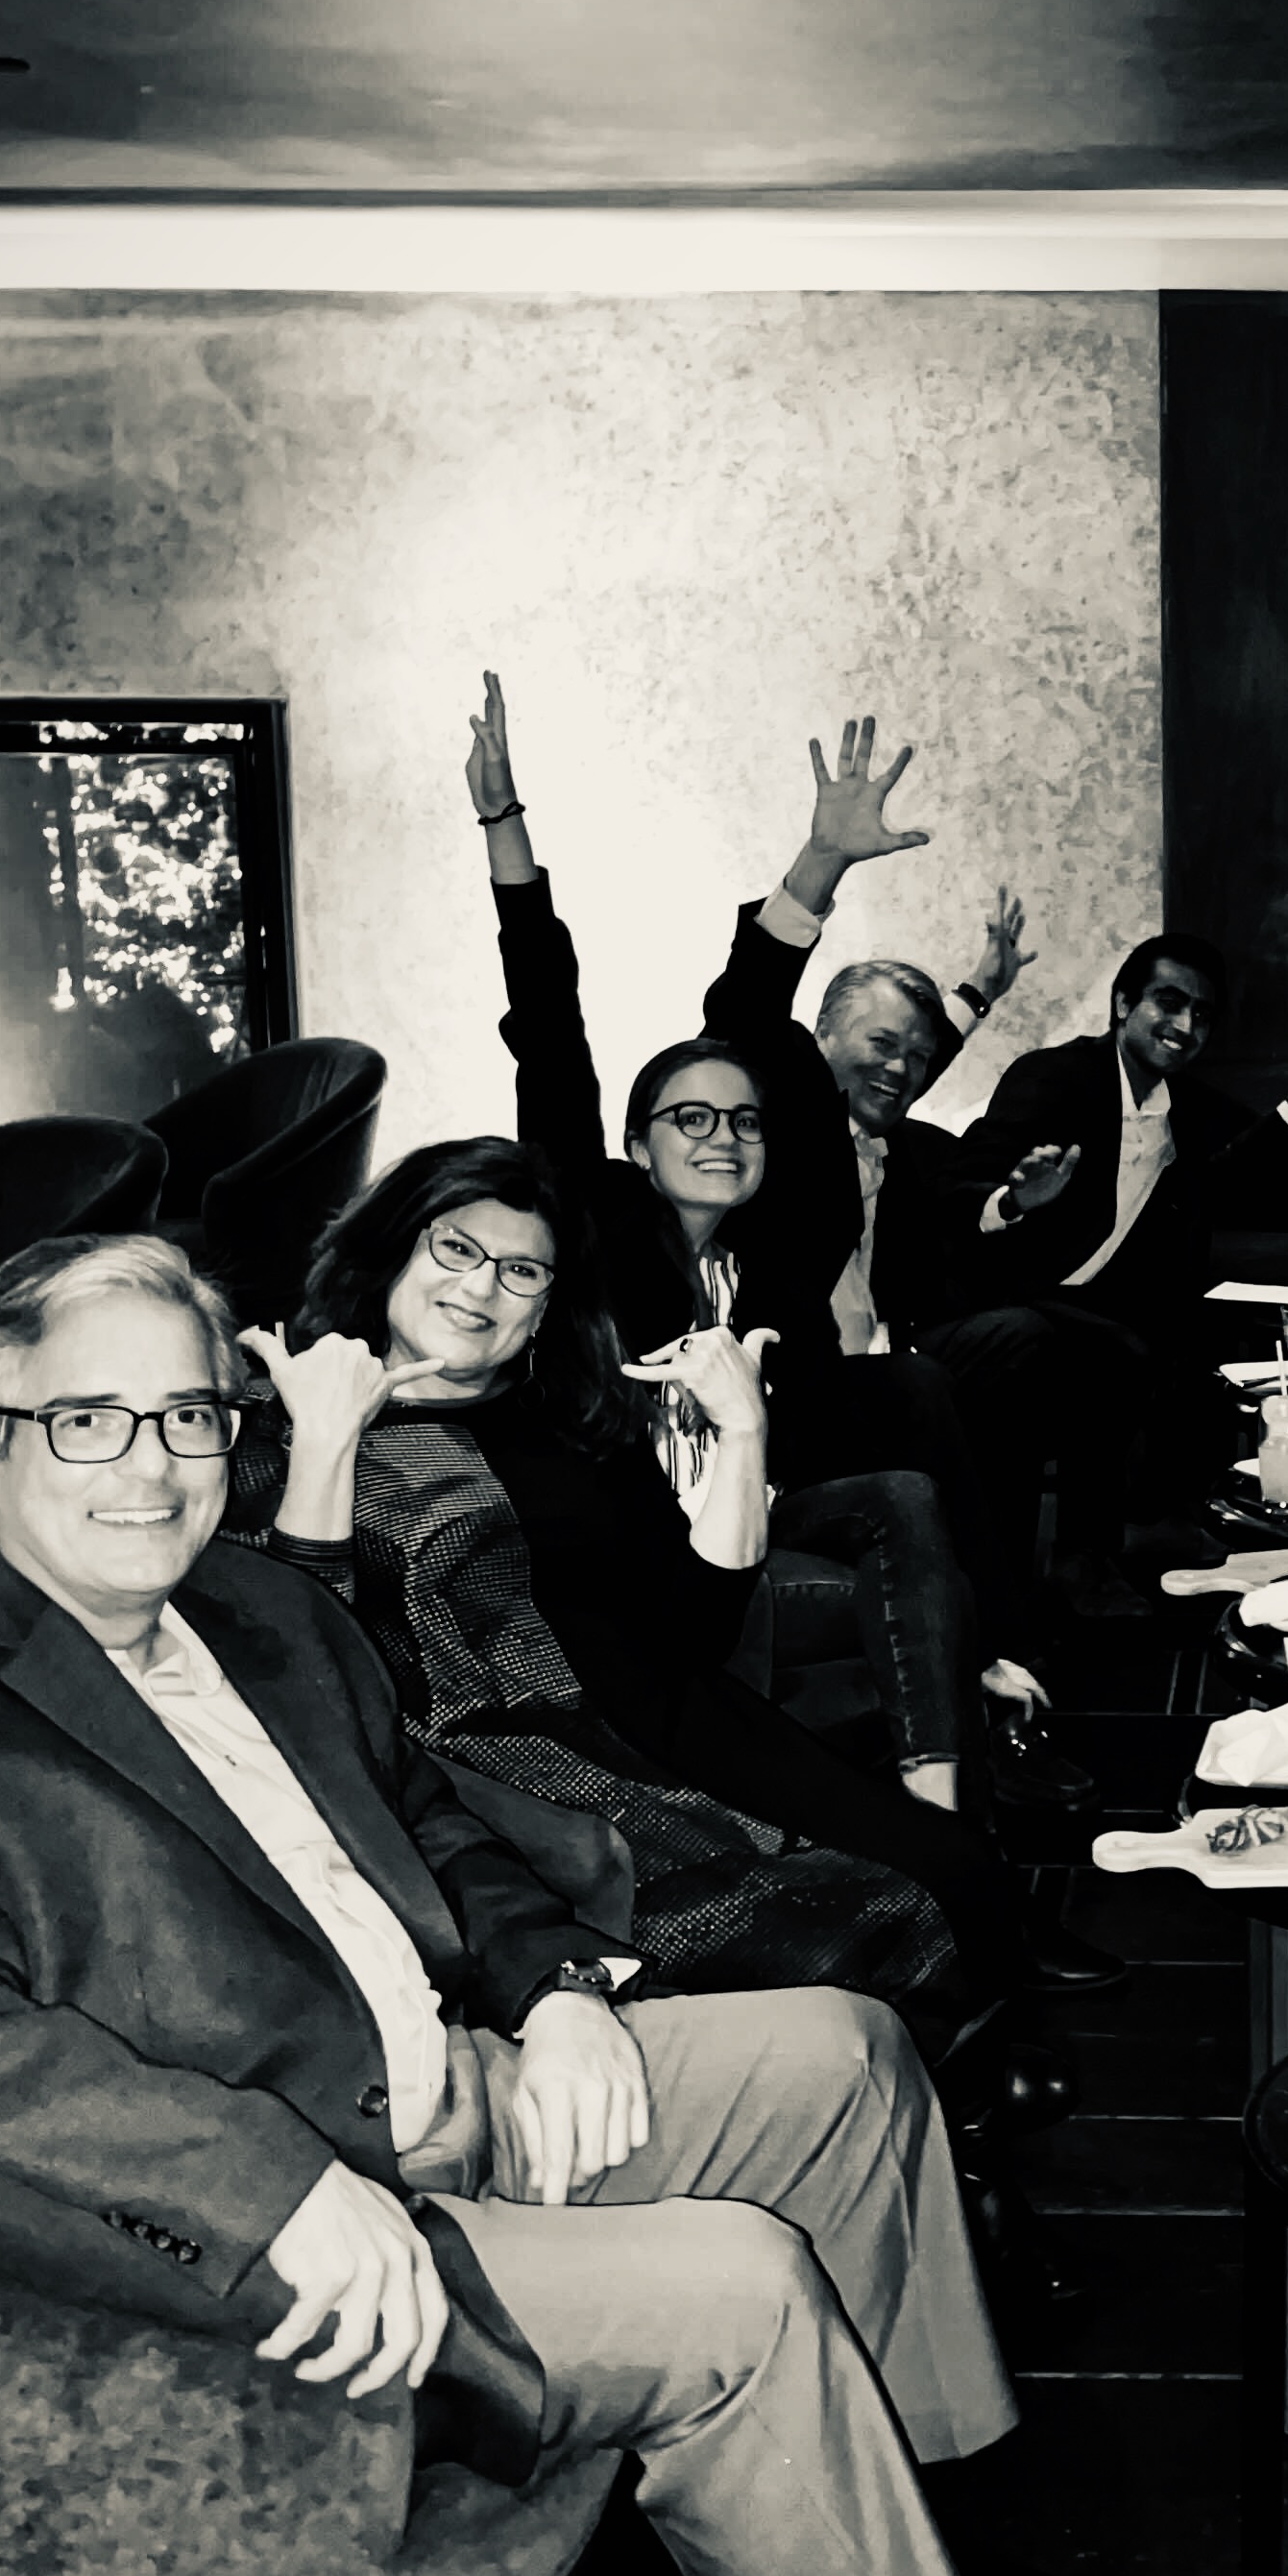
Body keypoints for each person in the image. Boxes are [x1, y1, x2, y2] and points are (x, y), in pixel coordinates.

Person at [0, 1233, 1113, 2576]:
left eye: (189, 1416)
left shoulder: (260, 1612)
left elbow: (437, 1821)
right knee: (744, 2289)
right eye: (88, 1420)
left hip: (445, 2085)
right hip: (254, 2228)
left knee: (843, 2056)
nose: (153, 1468)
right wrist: (274, 2190)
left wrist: (561, 1989)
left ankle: (922, 2514)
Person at [230, 1137, 1099, 2053]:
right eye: (455, 1249)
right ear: (394, 1248)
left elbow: (696, 1624)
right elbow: (297, 1679)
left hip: (682, 1726)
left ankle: (958, 2110)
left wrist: (742, 1429)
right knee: (882, 1916)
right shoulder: (289, 1416)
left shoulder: (570, 1415)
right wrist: (324, 1443)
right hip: (518, 1789)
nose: (481, 1290)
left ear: (547, 1305)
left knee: (951, 1868)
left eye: (522, 1271)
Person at [464, 683, 1104, 1842]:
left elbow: (807, 1052)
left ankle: (938, 1802)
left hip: (765, 1508)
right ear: (638, 1142)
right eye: (689, 1119)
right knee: (913, 1496)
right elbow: (549, 1023)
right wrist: (507, 831)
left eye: (743, 1122)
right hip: (645, 1545)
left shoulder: (786, 1245)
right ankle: (909, 1793)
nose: (722, 1136)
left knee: (907, 1487)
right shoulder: (598, 1219)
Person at [939, 933, 1288, 1613]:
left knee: (1186, 1331)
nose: (1186, 1026)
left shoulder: (1178, 1102)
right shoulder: (1053, 1078)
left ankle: (1153, 1524)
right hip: (1000, 1296)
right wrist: (1016, 1198)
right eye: (1169, 1002)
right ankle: (1081, 1560)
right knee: (1117, 1349)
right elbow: (958, 1187)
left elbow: (1237, 1170)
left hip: (1092, 1304)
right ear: (1123, 1004)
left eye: (1202, 1014)